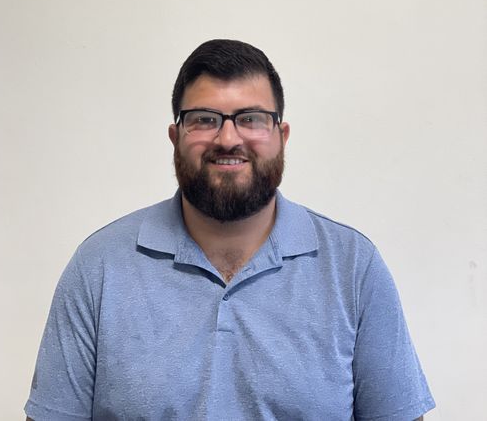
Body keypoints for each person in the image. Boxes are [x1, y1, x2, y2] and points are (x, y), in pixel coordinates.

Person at [25, 39, 435, 420]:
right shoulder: (99, 266)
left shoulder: (353, 267)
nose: (227, 138)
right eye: (204, 120)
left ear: (281, 136)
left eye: (251, 119)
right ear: (175, 137)